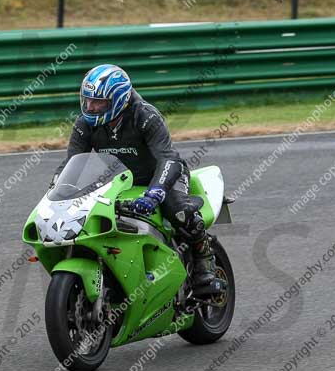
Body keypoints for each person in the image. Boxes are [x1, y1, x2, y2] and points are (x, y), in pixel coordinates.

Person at [52, 64, 222, 296]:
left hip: (162, 175)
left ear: (119, 99)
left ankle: (204, 258)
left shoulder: (145, 116)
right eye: (87, 100)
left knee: (178, 210)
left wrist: (155, 192)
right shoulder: (85, 124)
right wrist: (57, 190)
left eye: (98, 102)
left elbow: (168, 158)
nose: (90, 107)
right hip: (118, 183)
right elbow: (73, 162)